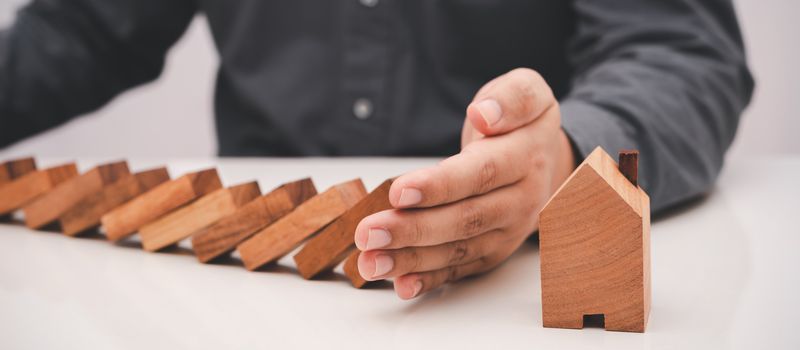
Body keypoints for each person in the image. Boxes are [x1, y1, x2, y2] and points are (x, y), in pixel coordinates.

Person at [0, 0, 753, 299]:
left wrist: (558, 159)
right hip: (239, 288)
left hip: (513, 281)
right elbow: (83, 29)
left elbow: (679, 49)